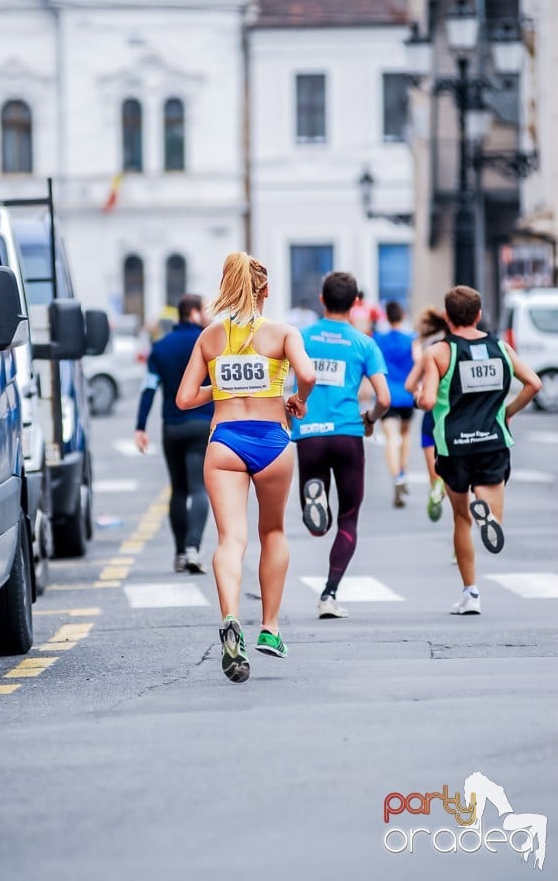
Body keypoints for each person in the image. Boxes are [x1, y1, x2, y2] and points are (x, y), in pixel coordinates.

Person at [176, 252, 316, 683]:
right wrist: (299, 400)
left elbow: (184, 399)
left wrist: (219, 388)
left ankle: (231, 618)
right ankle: (270, 629)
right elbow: (307, 374)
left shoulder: (210, 337)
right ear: (265, 290)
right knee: (272, 531)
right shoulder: (282, 332)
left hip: (225, 442)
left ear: (227, 286)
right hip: (272, 440)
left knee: (229, 540)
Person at [417, 285, 541, 615]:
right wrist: (508, 412)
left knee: (460, 519)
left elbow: (428, 400)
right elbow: (534, 384)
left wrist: (420, 399)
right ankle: (487, 511)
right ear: (480, 315)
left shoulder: (440, 352)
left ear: (447, 317)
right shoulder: (500, 347)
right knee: (490, 511)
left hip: (454, 447)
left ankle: (470, 593)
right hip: (492, 442)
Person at [293, 271, 390, 619]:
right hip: (348, 434)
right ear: (356, 303)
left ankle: (315, 495)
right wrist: (371, 420)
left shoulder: (300, 338)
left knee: (315, 525)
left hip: (309, 435)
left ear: (321, 299)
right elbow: (384, 397)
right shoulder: (364, 343)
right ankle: (329, 595)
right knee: (348, 520)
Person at [134, 294, 212, 575]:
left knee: (178, 490)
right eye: (204, 310)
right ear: (193, 313)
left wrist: (140, 427)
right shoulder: (208, 341)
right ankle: (194, 547)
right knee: (200, 487)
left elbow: (149, 388)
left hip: (173, 426)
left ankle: (180, 554)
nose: (207, 315)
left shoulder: (160, 347)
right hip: (203, 423)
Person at [404, 307, 449, 522]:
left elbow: (410, 384)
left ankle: (437, 487)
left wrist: (421, 394)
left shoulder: (433, 350)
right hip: (458, 421)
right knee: (460, 487)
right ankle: (459, 543)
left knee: (436, 477)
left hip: (431, 419)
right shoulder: (467, 350)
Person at [373, 301, 417, 508]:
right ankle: (403, 471)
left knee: (391, 437)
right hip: (407, 395)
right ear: (403, 315)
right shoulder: (412, 339)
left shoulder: (378, 339)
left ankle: (396, 477)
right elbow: (419, 361)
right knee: (405, 435)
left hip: (386, 395)